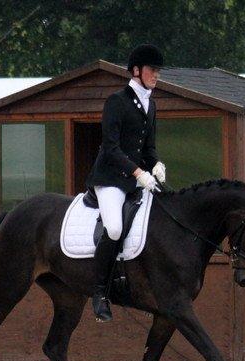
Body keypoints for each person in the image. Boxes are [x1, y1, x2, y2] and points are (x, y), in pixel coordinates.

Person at [85, 44, 167, 322]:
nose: (156, 75)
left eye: (157, 70)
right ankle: (99, 294)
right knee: (115, 227)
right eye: (152, 70)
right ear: (136, 71)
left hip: (135, 180)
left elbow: (149, 148)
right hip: (109, 180)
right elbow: (110, 148)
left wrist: (155, 164)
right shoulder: (116, 101)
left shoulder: (151, 104)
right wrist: (138, 173)